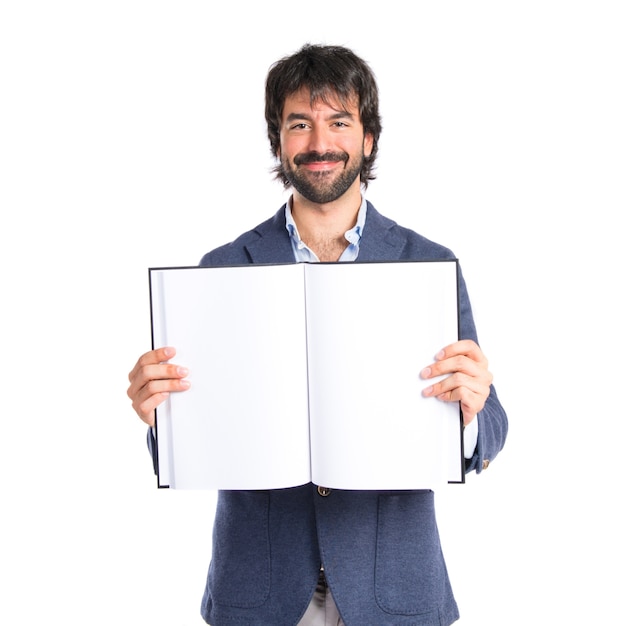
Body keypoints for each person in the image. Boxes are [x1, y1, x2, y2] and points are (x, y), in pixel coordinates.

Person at [127, 43, 508, 626]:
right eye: (299, 124)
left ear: (368, 139)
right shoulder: (224, 269)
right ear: (278, 141)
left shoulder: (427, 264)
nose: (319, 143)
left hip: (393, 594)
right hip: (260, 593)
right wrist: (162, 420)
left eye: (339, 122)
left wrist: (471, 411)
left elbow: (492, 433)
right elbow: (180, 452)